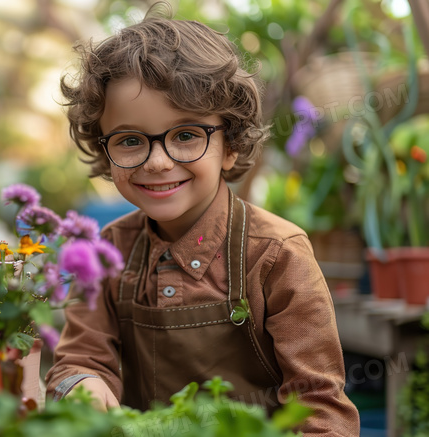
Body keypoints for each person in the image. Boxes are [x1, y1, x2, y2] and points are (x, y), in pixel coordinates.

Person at [45, 5, 360, 436]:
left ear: (230, 145)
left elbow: (320, 406)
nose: (157, 162)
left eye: (186, 135)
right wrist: (82, 383)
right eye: (131, 141)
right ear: (105, 151)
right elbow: (78, 359)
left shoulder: (277, 254)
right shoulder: (108, 252)